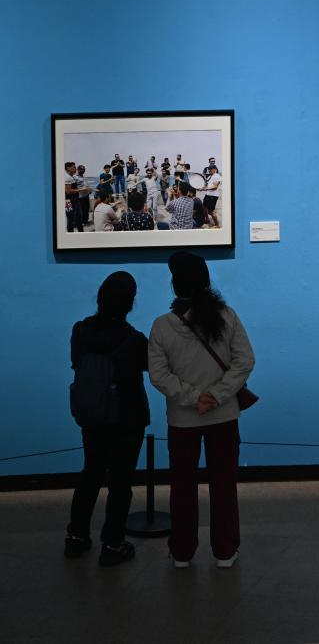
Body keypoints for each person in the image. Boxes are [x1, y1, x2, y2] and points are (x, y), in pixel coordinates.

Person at [148, 252, 255, 569]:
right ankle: (225, 551)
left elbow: (159, 375)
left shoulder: (162, 326)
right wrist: (216, 396)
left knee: (182, 487)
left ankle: (182, 552)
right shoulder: (227, 316)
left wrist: (194, 398)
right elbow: (244, 362)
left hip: (182, 420)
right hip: (223, 416)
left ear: (175, 284)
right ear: (206, 281)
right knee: (224, 485)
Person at [65, 272, 149, 566]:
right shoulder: (134, 339)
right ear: (130, 304)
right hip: (127, 418)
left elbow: (76, 362)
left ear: (100, 298)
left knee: (91, 474)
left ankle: (76, 536)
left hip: (92, 416)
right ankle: (113, 544)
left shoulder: (81, 331)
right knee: (120, 482)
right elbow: (149, 366)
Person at [64, 161, 83, 232]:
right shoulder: (67, 177)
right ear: (68, 168)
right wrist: (82, 189)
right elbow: (68, 191)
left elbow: (80, 181)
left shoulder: (72, 177)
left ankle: (81, 233)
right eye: (74, 167)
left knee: (79, 218)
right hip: (68, 201)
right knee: (70, 219)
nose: (76, 169)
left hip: (76, 200)